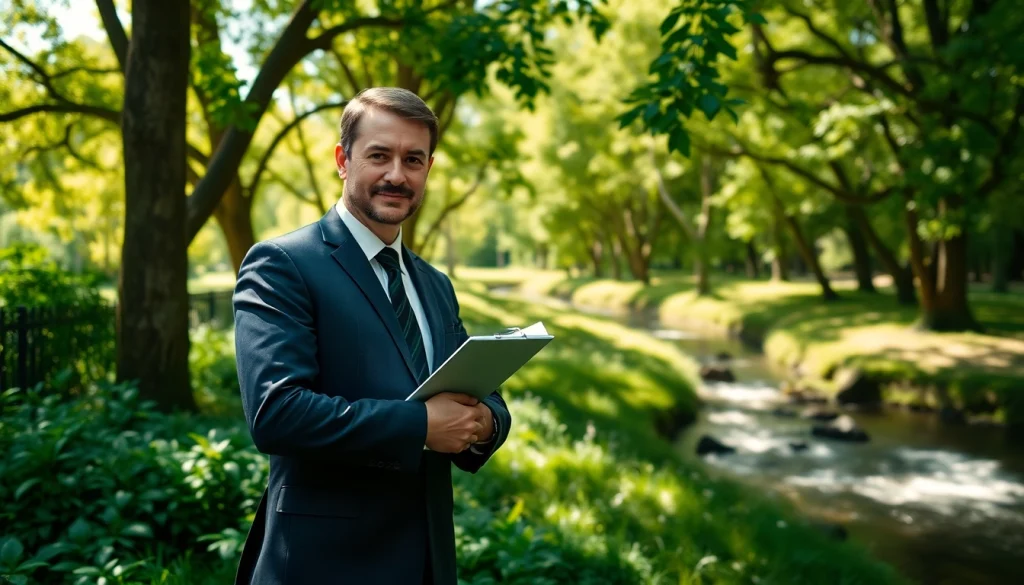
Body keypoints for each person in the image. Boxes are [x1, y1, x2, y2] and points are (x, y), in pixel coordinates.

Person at [231, 87, 511, 585]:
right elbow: (276, 412)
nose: (397, 175)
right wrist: (420, 426)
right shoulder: (283, 265)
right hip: (323, 565)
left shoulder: (434, 284)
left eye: (414, 159)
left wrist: (486, 422)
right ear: (343, 159)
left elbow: (481, 392)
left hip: (425, 561)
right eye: (379, 155)